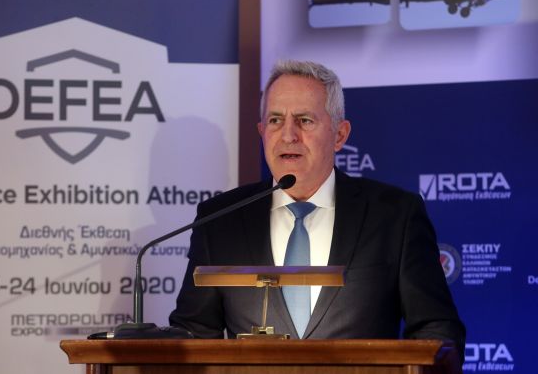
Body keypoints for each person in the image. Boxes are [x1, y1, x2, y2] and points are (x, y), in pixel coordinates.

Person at [169, 60, 465, 358]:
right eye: (275, 120)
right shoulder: (221, 220)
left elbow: (437, 329)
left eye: (305, 120)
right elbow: (193, 334)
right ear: (261, 131)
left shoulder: (395, 216)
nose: (288, 135)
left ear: (340, 135)